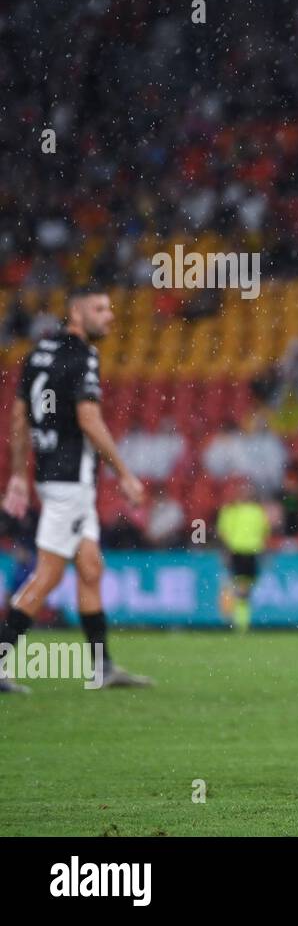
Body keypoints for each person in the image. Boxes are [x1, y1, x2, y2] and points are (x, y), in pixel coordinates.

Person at [0, 287, 151, 693]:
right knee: (48, 575)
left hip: (51, 474)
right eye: (100, 309)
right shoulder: (84, 356)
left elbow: (18, 416)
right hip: (71, 482)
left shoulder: (38, 353)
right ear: (76, 313)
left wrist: (18, 473)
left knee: (90, 567)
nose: (110, 316)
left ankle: (101, 667)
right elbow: (89, 418)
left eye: (110, 308)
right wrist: (124, 472)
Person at [215, 481, 271, 633]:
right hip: (238, 552)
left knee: (245, 588)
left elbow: (264, 533)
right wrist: (225, 552)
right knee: (241, 588)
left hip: (252, 552)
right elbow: (224, 534)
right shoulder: (231, 511)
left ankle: (238, 621)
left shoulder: (257, 511)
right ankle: (240, 623)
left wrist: (264, 551)